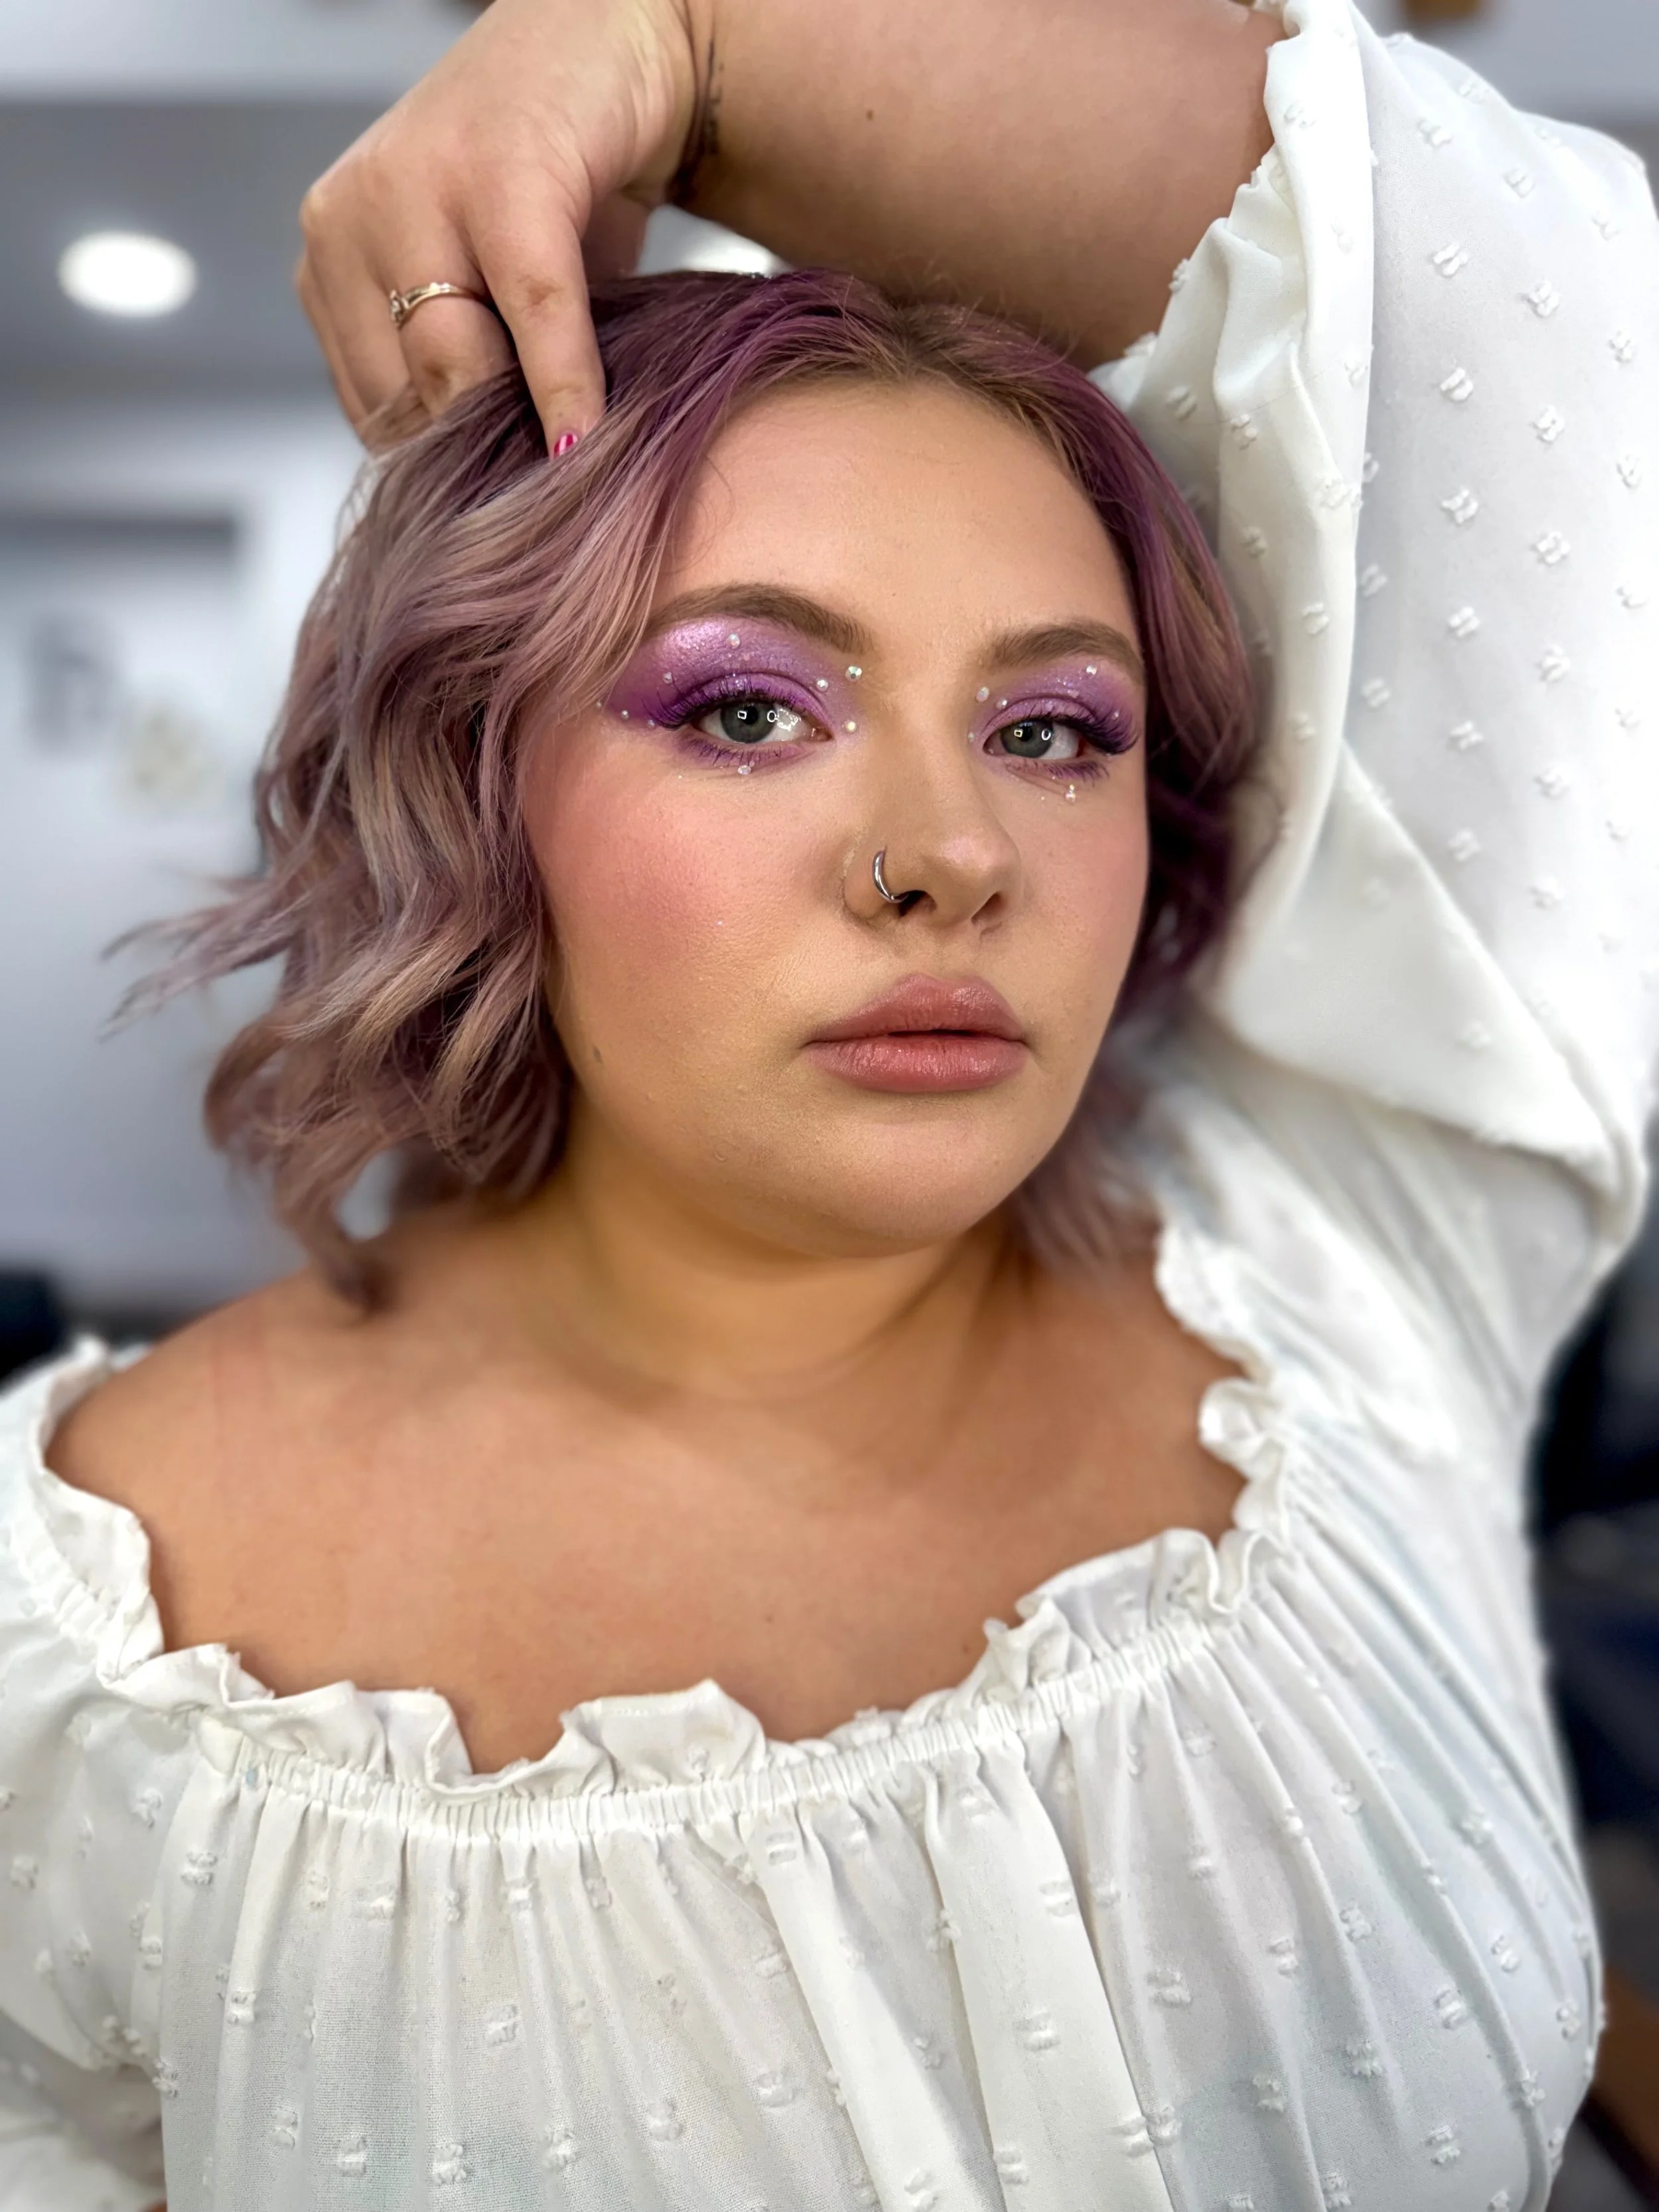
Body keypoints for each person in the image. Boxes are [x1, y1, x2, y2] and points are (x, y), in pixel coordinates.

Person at [0, 0, 1654, 2206]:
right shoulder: (78, 1654)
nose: (946, 850)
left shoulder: (1352, 1263)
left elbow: (1560, 343)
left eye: (1053, 728)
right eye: (753, 706)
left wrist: (687, 32)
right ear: (475, 786)